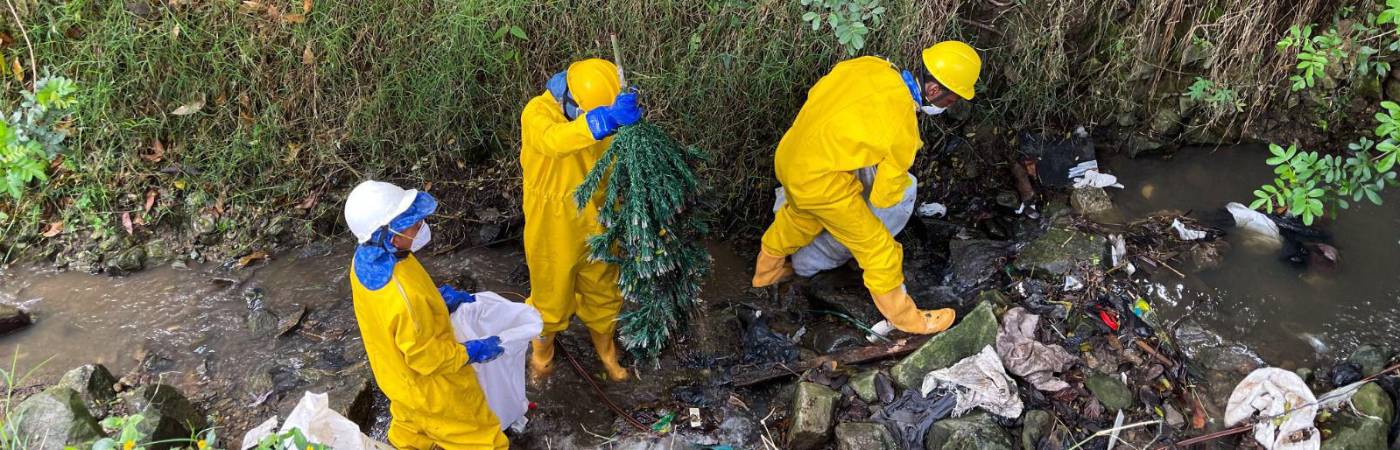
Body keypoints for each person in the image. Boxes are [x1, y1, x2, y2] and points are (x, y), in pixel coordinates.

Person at [752, 41, 983, 335]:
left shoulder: (871, 65)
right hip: (822, 182)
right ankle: (908, 320)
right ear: (935, 89)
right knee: (879, 249)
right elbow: (885, 198)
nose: (949, 106)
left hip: (791, 158)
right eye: (951, 100)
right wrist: (895, 184)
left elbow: (820, 93)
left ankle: (765, 274)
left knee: (799, 217)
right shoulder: (903, 126)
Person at [344, 180, 509, 449]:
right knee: (481, 437)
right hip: (432, 392)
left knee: (411, 428)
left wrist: (436, 300)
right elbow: (428, 358)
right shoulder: (405, 299)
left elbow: (386, 316)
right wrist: (472, 351)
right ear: (391, 236)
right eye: (413, 223)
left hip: (397, 379)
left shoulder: (368, 259)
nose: (421, 225)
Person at [519, 58, 642, 383]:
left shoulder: (607, 118)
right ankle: (542, 352)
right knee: (550, 298)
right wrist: (602, 120)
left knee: (604, 289)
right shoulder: (537, 113)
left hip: (598, 217)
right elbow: (556, 141)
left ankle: (606, 350)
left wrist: (623, 122)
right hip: (552, 225)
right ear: (572, 101)